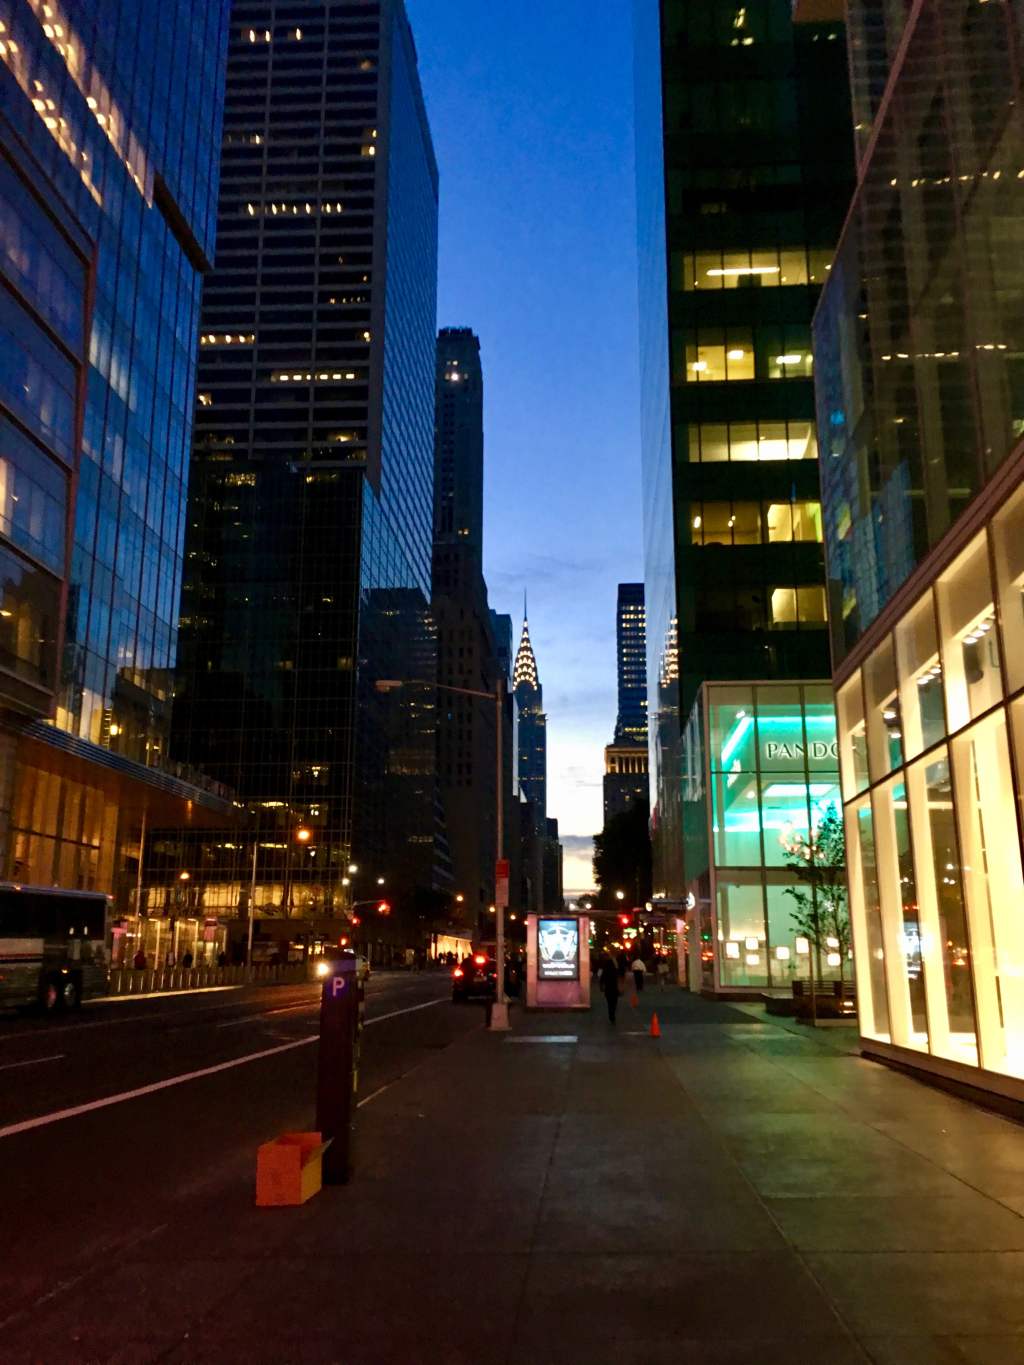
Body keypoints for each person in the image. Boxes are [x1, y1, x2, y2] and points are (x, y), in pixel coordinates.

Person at [598, 952, 621, 1024]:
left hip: (608, 989)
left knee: (609, 1003)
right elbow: (618, 978)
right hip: (614, 988)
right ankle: (613, 1015)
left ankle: (611, 1016)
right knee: (614, 1003)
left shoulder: (605, 969)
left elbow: (602, 978)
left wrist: (601, 986)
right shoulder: (614, 969)